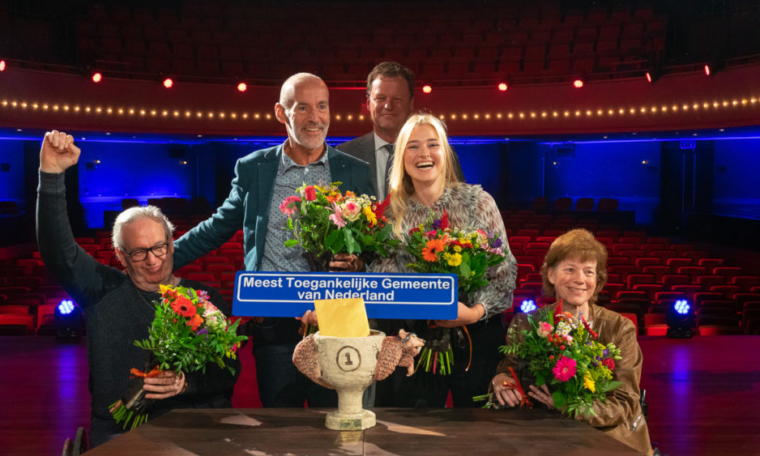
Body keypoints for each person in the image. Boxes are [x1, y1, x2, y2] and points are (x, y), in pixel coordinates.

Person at [172, 73, 374, 408]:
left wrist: (360, 260)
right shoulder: (254, 168)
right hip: (273, 324)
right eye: (303, 108)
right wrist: (162, 259)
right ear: (281, 113)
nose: (316, 117)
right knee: (281, 429)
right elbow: (218, 227)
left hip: (337, 321)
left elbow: (369, 243)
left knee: (338, 425)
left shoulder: (355, 171)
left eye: (322, 107)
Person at [36, 131, 239, 448]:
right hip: (124, 432)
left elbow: (227, 374)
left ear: (172, 243)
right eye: (139, 252)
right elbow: (58, 251)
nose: (154, 260)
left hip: (199, 428)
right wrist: (51, 176)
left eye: (160, 247)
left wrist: (185, 384)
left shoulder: (208, 299)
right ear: (121, 255)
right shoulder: (101, 289)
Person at [369, 113, 517, 407]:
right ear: (401, 157)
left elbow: (505, 273)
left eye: (432, 144)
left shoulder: (479, 202)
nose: (423, 154)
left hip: (477, 335)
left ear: (445, 152)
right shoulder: (388, 215)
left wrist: (474, 312)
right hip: (410, 340)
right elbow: (381, 280)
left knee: (479, 435)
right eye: (412, 146)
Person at [490, 229, 652, 455]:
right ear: (551, 275)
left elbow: (623, 404)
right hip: (545, 433)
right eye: (570, 269)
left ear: (597, 279)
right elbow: (508, 371)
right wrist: (501, 380)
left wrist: (569, 408)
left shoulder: (619, 328)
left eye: (589, 272)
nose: (580, 279)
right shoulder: (526, 323)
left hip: (606, 436)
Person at [337, 61, 465, 200]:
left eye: (397, 99)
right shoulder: (344, 155)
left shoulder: (442, 154)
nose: (388, 106)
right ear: (368, 103)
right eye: (380, 98)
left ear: (411, 104)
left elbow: (460, 210)